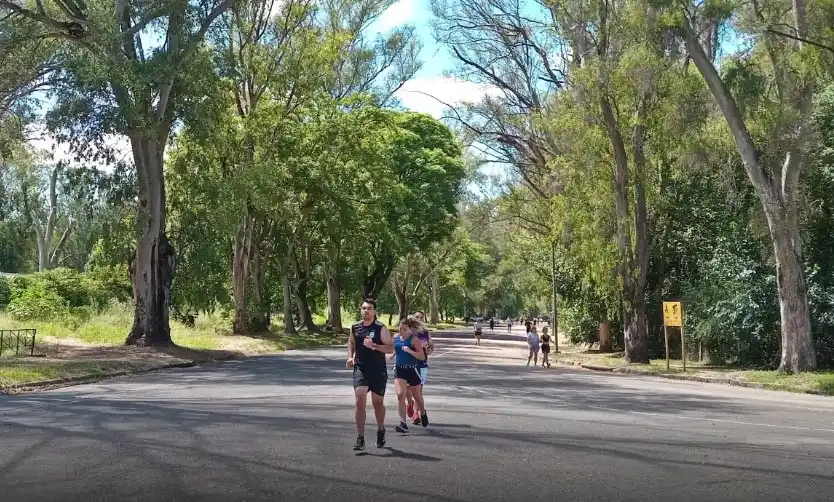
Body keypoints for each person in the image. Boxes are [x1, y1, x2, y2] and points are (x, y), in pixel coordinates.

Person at [347, 298, 394, 451]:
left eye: (369, 308)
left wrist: (374, 346)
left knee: (377, 403)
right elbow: (351, 342)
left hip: (378, 370)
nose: (366, 311)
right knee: (360, 399)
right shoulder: (355, 327)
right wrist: (350, 356)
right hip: (361, 369)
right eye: (363, 308)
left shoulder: (381, 328)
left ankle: (381, 429)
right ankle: (360, 437)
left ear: (374, 311)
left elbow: (390, 349)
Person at [392, 317, 427, 434]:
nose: (401, 331)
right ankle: (403, 423)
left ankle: (422, 412)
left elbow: (422, 357)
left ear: (410, 330)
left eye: (404, 329)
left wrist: (410, 351)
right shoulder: (396, 338)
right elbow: (395, 349)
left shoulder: (414, 340)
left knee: (416, 395)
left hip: (413, 370)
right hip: (399, 369)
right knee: (400, 394)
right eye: (400, 329)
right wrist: (392, 355)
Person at [406, 311, 432, 426]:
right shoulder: (407, 332)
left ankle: (416, 414)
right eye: (417, 317)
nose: (419, 319)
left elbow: (431, 347)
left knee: (418, 392)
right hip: (407, 364)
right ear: (413, 318)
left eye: (421, 317)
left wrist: (429, 349)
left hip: (422, 365)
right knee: (407, 391)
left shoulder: (426, 333)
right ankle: (410, 404)